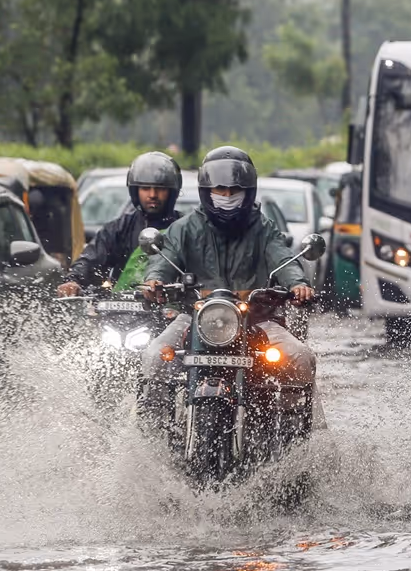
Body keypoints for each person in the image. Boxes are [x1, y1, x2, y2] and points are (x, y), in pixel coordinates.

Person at [139, 146, 317, 420]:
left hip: (257, 319)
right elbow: (164, 259)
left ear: (248, 192)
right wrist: (154, 282)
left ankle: (293, 437)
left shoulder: (264, 228)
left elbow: (283, 257)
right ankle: (154, 430)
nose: (226, 196)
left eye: (235, 191)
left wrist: (298, 285)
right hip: (194, 316)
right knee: (154, 356)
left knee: (300, 357)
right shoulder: (184, 228)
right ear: (206, 190)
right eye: (219, 190)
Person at [57, 152, 182, 297]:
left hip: (173, 311)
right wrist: (73, 280)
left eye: (160, 188)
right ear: (135, 191)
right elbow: (91, 259)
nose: (152, 194)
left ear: (172, 192)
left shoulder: (184, 229)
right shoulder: (119, 228)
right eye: (145, 188)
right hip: (120, 310)